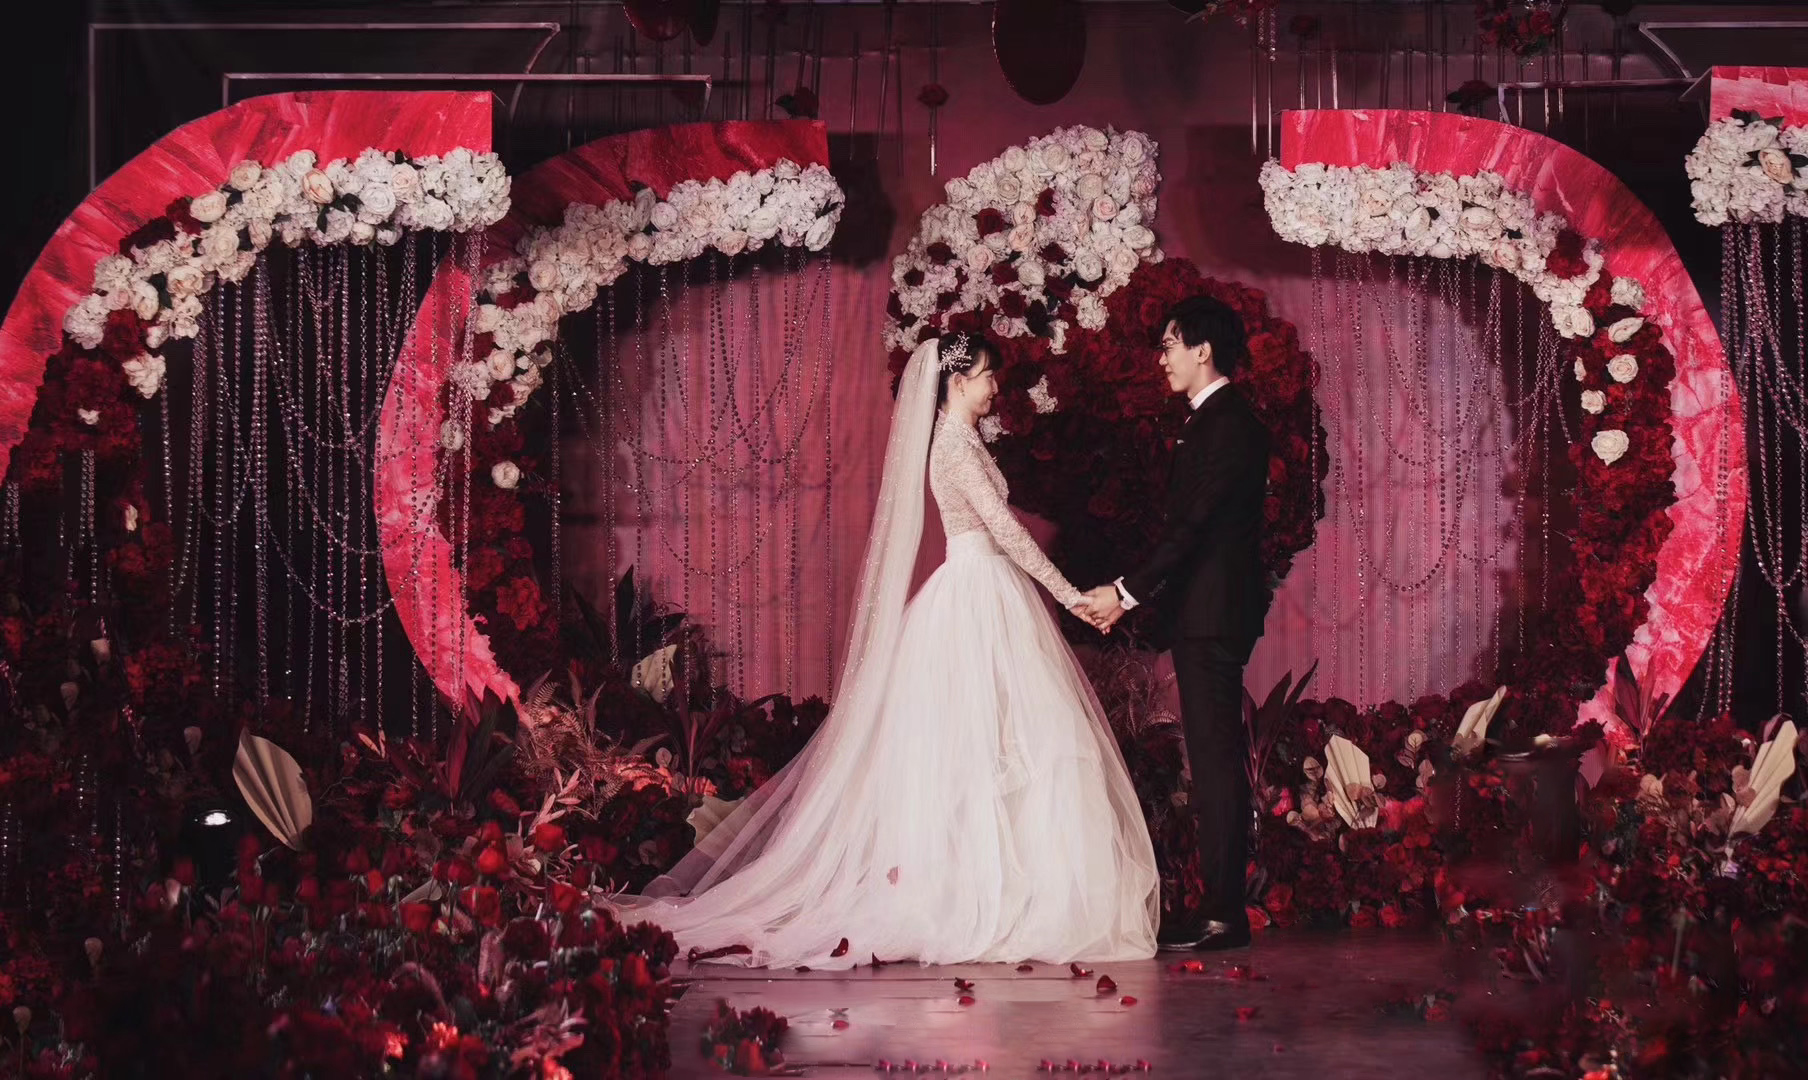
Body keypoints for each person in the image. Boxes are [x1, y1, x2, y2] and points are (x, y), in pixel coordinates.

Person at [605, 331, 1159, 968]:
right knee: (984, 743)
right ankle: (981, 889)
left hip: (989, 591)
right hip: (978, 590)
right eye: (986, 376)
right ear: (956, 381)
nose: (995, 387)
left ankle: (1016, 885)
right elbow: (1004, 532)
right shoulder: (951, 447)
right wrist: (1070, 596)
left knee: (1012, 739)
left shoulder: (965, 439)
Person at [1080, 295, 1274, 952]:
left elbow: (1191, 530)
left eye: (1169, 345)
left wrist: (1125, 593)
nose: (1161, 359)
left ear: (1202, 350)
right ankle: (1220, 908)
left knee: (1214, 763)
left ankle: (1224, 913)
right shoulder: (1212, 422)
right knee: (1211, 760)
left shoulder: (1228, 425)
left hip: (1212, 617)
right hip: (1206, 614)